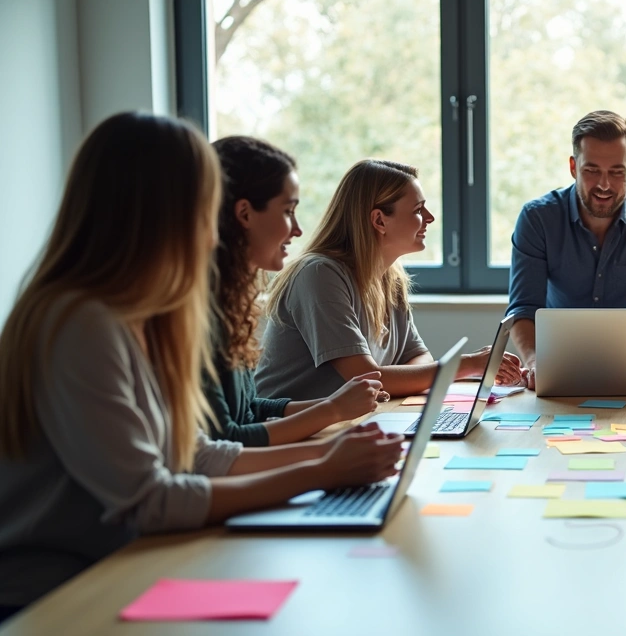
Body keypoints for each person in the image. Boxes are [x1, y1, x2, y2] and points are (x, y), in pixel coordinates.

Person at [0, 112, 403, 619]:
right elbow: (152, 500)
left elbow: (194, 455)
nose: (214, 236)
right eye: (203, 211)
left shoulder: (140, 318)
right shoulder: (80, 323)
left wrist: (331, 453)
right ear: (156, 215)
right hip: (54, 593)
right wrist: (320, 467)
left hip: (117, 562)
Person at [256, 159, 521, 400]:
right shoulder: (319, 275)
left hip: (351, 424)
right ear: (379, 220)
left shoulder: (390, 279)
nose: (429, 218)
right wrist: (468, 364)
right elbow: (366, 378)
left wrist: (396, 381)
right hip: (290, 433)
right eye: (418, 209)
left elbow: (418, 356)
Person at [207, 136, 386, 446]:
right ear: (245, 214)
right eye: (288, 211)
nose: (298, 230)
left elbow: (249, 409)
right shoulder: (200, 315)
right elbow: (226, 438)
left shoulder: (229, 303)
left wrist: (338, 407)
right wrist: (331, 410)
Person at [506, 110, 626, 390]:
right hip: (558, 366)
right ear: (573, 167)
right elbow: (523, 308)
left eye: (616, 172)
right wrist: (535, 362)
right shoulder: (537, 218)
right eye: (592, 170)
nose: (604, 185)